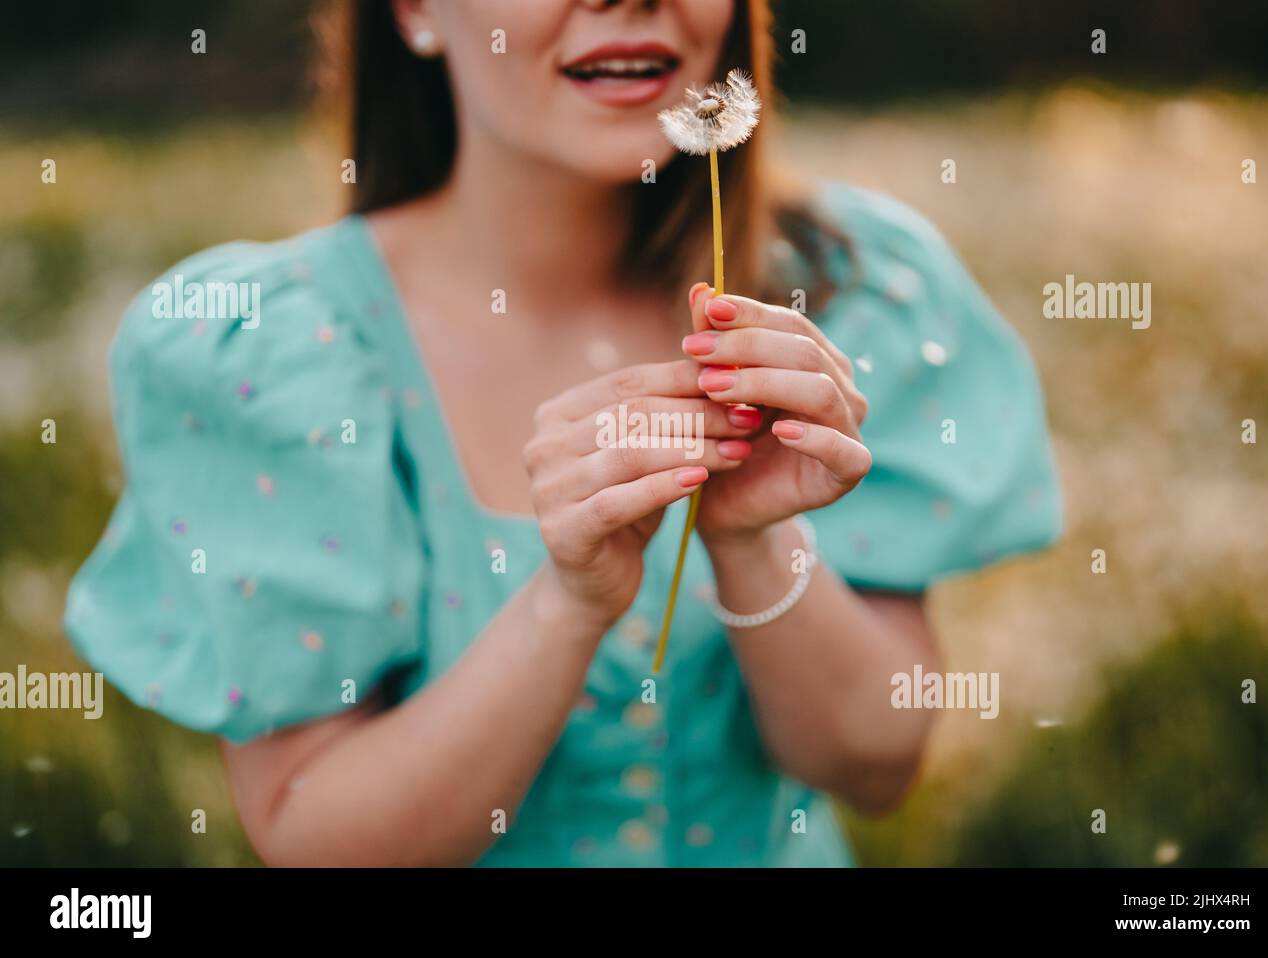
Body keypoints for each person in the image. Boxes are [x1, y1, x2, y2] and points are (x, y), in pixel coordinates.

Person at [65, 0, 1062, 867]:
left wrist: (754, 536)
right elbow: (312, 833)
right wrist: (568, 602)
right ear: (413, 7)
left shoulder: (845, 288)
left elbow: (875, 759)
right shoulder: (277, 352)